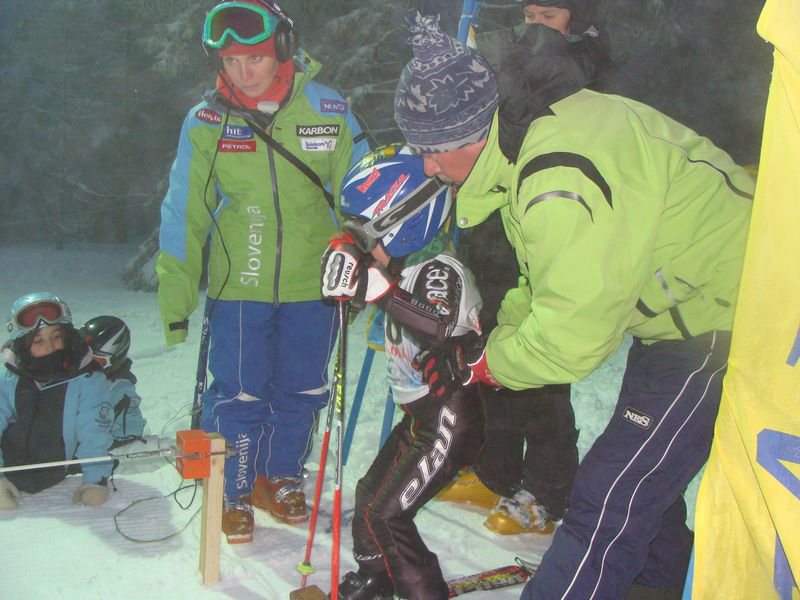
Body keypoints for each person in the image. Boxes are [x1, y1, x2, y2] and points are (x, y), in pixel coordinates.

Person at [394, 13, 753, 600]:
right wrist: (486, 338)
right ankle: (652, 588)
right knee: (639, 483)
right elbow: (546, 285)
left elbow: (569, 339)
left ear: (472, 131)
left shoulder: (557, 174)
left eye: (433, 150)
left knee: (610, 495)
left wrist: (481, 364)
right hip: (681, 316)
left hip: (726, 317)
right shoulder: (528, 138)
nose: (429, 167)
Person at [155, 0, 370, 544]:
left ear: (282, 49)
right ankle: (233, 488)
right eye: (229, 61)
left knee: (303, 389)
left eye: (253, 58)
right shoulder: (206, 121)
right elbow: (185, 212)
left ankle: (280, 477)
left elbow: (364, 193)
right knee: (239, 394)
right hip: (239, 289)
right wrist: (176, 299)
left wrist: (361, 254)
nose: (242, 72)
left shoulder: (329, 109)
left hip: (314, 288)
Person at [438, 0, 611, 537]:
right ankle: (497, 471)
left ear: (578, 20)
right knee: (491, 354)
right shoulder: (507, 57)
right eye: (531, 16)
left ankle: (548, 489)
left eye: (549, 17)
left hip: (547, 226)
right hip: (495, 230)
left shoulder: (592, 65)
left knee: (540, 367)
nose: (536, 28)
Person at [320, 146, 484, 600]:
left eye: (365, 233)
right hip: (419, 419)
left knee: (387, 516)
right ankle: (377, 578)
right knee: (370, 496)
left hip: (450, 420)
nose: (361, 246)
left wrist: (379, 289)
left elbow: (439, 324)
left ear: (406, 224)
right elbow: (368, 291)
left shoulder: (438, 269)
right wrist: (348, 278)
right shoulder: (401, 267)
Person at [0, 293, 114, 511]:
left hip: (56, 474)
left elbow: (94, 431)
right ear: (23, 344)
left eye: (56, 336)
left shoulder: (86, 377)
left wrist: (95, 480)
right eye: (38, 341)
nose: (50, 346)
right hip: (8, 468)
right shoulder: (8, 375)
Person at [80, 316, 146, 445]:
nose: (88, 365)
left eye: (98, 361)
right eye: (84, 357)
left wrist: (101, 443)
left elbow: (132, 428)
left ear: (114, 361)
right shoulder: (72, 376)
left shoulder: (119, 391)